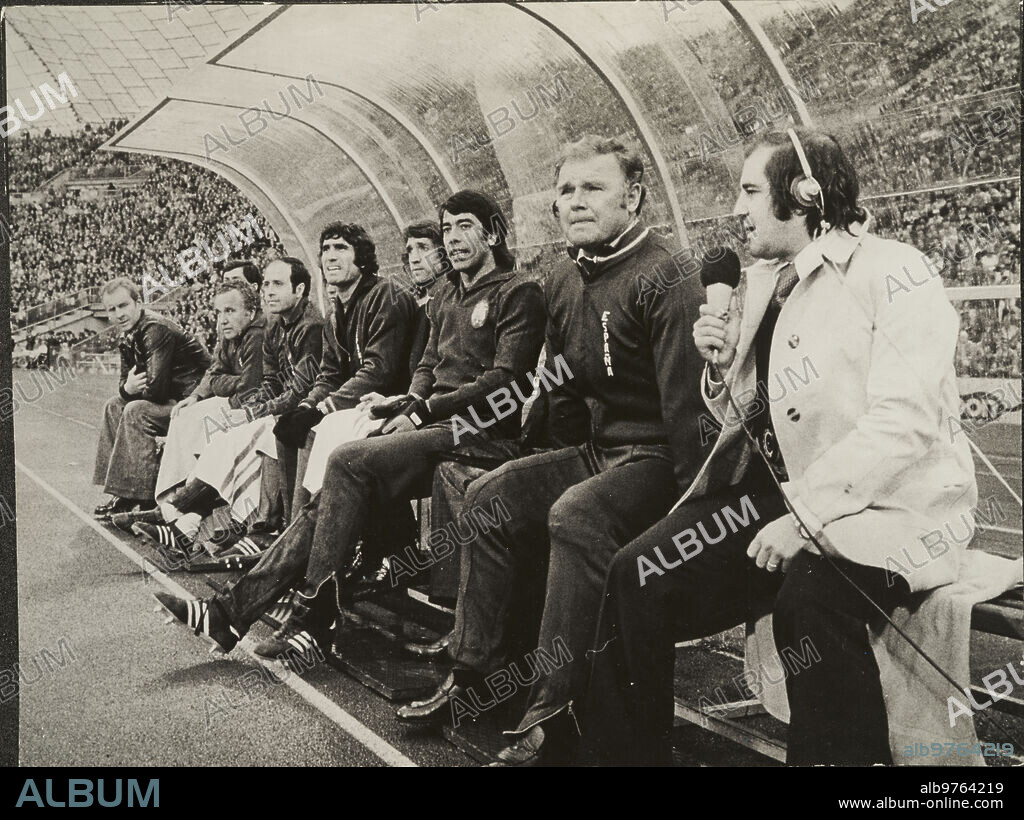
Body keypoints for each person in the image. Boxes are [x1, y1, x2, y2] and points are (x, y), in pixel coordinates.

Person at [577, 128, 977, 766]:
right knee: (636, 573)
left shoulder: (896, 270)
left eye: (750, 190)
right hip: (783, 498)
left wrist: (807, 517)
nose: (737, 208)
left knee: (809, 597)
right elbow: (743, 415)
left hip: (892, 507)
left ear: (805, 192)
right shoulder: (762, 283)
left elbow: (903, 421)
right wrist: (716, 367)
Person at [396, 136, 710, 763]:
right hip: (597, 449)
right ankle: (476, 672)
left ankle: (553, 712)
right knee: (493, 491)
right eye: (566, 190)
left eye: (593, 188)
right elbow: (562, 395)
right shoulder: (563, 276)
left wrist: (692, 517)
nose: (575, 201)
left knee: (576, 514)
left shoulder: (668, 276)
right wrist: (532, 465)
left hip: (653, 457)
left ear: (635, 196)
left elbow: (687, 417)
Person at [152, 190, 546, 664]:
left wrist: (423, 411)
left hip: (479, 431)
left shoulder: (517, 291)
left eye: (465, 225)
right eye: (447, 228)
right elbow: (427, 364)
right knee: (332, 491)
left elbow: (507, 381)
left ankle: (304, 616)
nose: (454, 237)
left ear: (494, 232)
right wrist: (410, 399)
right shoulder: (448, 298)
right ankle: (238, 614)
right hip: (435, 423)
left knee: (345, 461)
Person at [130, 258, 323, 558]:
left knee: (243, 439)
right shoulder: (277, 326)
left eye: (278, 284)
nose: (269, 291)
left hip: (306, 411)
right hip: (278, 410)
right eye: (268, 284)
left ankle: (188, 517)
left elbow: (297, 390)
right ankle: (185, 521)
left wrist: (252, 412)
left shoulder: (310, 327)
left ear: (299, 290)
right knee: (225, 439)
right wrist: (254, 409)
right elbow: (270, 382)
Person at [115, 279, 265, 537]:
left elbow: (248, 388)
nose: (222, 319)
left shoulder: (257, 335)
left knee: (206, 427)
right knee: (184, 414)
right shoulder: (229, 334)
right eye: (218, 312)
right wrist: (196, 396)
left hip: (249, 407)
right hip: (227, 400)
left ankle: (177, 511)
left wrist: (221, 384)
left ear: (250, 312)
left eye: (230, 311)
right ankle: (167, 501)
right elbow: (214, 372)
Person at [93, 277, 212, 519]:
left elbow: (155, 391)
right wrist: (127, 389)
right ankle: (123, 492)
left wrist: (130, 390)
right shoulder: (128, 335)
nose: (119, 314)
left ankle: (145, 495)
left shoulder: (155, 329)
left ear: (138, 303)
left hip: (194, 401)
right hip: (173, 399)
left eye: (123, 305)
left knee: (136, 410)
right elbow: (123, 386)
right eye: (112, 309)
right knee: (113, 406)